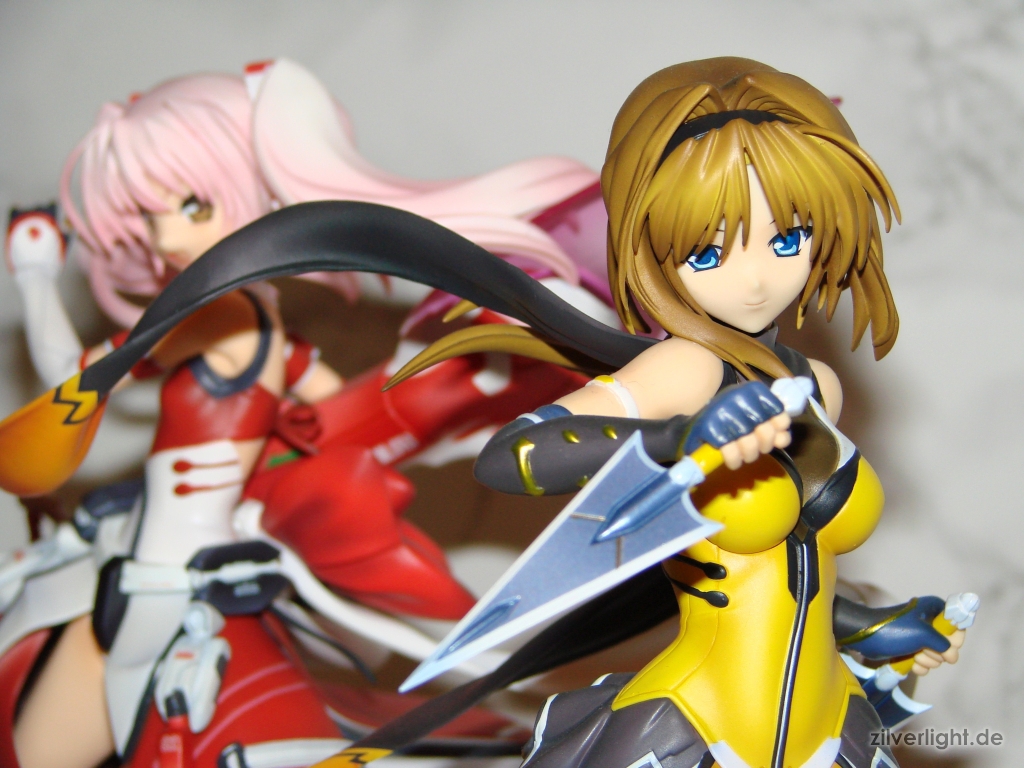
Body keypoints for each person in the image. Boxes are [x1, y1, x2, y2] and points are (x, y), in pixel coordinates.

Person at [0, 59, 613, 768]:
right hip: (199, 552)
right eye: (149, 217)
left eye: (193, 208)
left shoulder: (213, 318)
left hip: (164, 575)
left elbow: (71, 380)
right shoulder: (266, 330)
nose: (165, 242)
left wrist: (34, 273)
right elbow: (341, 414)